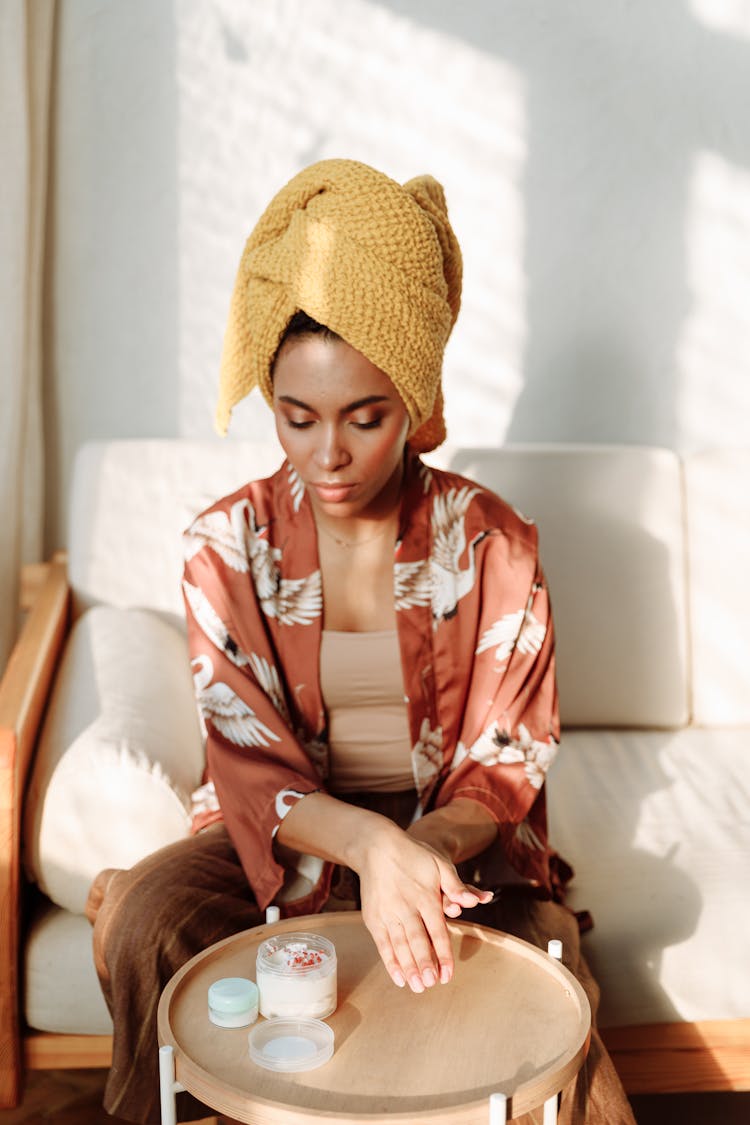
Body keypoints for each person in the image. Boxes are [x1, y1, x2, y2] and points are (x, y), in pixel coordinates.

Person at [88, 158, 636, 1124]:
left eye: (366, 417)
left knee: (549, 993)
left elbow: (504, 762)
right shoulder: (226, 546)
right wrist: (365, 845)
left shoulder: (493, 541)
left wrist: (412, 854)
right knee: (147, 917)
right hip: (283, 833)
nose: (328, 454)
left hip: (451, 845)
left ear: (416, 405)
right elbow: (250, 769)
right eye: (297, 418)